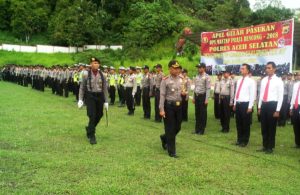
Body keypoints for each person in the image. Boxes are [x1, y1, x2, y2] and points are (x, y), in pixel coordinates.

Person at [78, 57, 109, 145]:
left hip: (100, 96)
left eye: (97, 63)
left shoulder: (103, 75)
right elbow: (82, 87)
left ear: (99, 64)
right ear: (90, 64)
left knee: (99, 115)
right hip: (90, 96)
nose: (95, 64)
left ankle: (89, 128)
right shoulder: (85, 74)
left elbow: (105, 88)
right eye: (93, 63)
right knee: (92, 115)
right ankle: (92, 136)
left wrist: (106, 101)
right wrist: (80, 99)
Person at [257, 62, 284, 154]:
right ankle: (264, 145)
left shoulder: (278, 81)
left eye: (269, 68)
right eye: (266, 68)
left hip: (273, 105)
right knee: (264, 126)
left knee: (271, 127)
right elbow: (261, 94)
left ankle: (270, 147)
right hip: (264, 104)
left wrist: (277, 110)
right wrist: (259, 107)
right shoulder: (264, 80)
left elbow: (280, 97)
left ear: (274, 69)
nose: (267, 70)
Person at [159, 60, 183, 158]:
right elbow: (162, 95)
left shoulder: (181, 79)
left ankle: (165, 138)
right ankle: (172, 151)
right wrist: (161, 109)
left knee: (178, 127)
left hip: (179, 106)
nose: (177, 70)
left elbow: (184, 91)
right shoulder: (165, 80)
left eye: (178, 68)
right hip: (168, 106)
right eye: (175, 68)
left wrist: (185, 95)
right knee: (170, 128)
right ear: (170, 69)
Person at [233, 64, 256, 147]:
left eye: (243, 68)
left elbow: (252, 95)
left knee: (245, 123)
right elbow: (237, 93)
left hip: (245, 104)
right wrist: (235, 103)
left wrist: (250, 107)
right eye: (241, 68)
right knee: (238, 123)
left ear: (247, 70)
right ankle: (239, 139)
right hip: (238, 104)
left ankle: (244, 141)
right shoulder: (239, 80)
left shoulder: (251, 81)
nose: (241, 70)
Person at [193, 63, 211, 135]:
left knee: (202, 114)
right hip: (197, 96)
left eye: (200, 67)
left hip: (202, 97)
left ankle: (201, 130)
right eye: (198, 68)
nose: (198, 69)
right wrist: (194, 97)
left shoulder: (207, 77)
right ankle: (197, 129)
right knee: (197, 113)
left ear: (204, 68)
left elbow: (208, 89)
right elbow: (195, 87)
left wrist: (206, 99)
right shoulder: (197, 76)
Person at [289, 72, 300, 148]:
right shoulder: (296, 85)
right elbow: (293, 96)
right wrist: (291, 108)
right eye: (296, 75)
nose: (297, 76)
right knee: (295, 125)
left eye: (299, 75)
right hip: (295, 106)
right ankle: (297, 143)